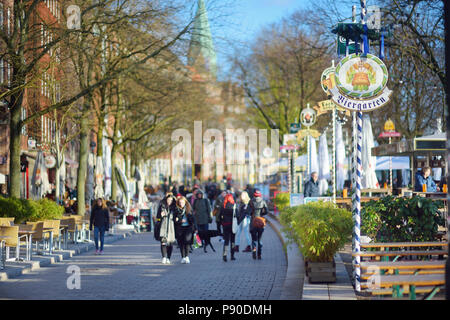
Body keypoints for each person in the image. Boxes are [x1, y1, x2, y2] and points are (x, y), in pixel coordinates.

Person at [155, 193, 176, 264]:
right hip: (163, 227)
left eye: (171, 200)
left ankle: (168, 258)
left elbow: (177, 216)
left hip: (171, 227)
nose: (169, 202)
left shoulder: (174, 207)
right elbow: (157, 217)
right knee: (163, 242)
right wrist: (160, 216)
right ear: (166, 200)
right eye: (168, 200)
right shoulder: (162, 206)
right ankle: (164, 257)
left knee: (170, 243)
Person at [174, 196, 196, 264]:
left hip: (188, 227)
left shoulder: (189, 209)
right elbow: (174, 220)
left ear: (185, 202)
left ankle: (187, 256)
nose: (181, 204)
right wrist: (180, 221)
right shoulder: (176, 210)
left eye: (183, 202)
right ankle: (183, 257)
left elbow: (193, 219)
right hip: (180, 228)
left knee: (187, 241)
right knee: (181, 243)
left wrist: (195, 228)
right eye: (180, 202)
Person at [250, 190, 269, 260]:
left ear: (254, 195)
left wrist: (252, 215)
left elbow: (248, 212)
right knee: (260, 239)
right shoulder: (263, 201)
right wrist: (261, 215)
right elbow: (267, 211)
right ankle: (259, 254)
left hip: (253, 222)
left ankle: (254, 251)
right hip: (260, 221)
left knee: (253, 238)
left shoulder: (251, 201)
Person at [219, 193, 237, 262]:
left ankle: (225, 255)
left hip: (225, 226)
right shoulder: (234, 206)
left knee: (226, 241)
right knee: (232, 240)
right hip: (233, 225)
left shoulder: (223, 206)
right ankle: (232, 256)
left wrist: (222, 223)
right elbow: (237, 215)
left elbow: (220, 216)